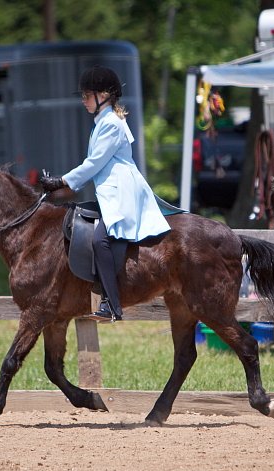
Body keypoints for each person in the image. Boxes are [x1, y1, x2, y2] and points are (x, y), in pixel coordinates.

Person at [40, 66, 170, 322]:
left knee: (101, 240)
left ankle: (112, 303)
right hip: (111, 192)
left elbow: (94, 163)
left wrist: (61, 181)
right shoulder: (103, 122)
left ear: (104, 96)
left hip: (122, 192)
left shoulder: (111, 123)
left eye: (87, 95)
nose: (83, 100)